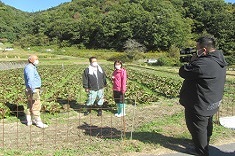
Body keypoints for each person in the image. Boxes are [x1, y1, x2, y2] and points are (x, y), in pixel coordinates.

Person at [179, 36, 227, 156]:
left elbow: (183, 71)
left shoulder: (203, 63)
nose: (196, 51)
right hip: (212, 101)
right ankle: (205, 144)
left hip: (199, 103)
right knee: (207, 125)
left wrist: (193, 60)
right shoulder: (219, 59)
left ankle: (201, 151)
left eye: (197, 48)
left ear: (204, 50)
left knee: (198, 128)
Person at [24, 55, 48, 128]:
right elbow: (30, 80)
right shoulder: (30, 68)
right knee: (36, 105)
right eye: (36, 59)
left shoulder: (30, 67)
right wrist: (33, 90)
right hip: (32, 89)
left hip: (30, 89)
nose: (37, 60)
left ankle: (29, 121)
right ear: (31, 60)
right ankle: (38, 122)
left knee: (30, 105)